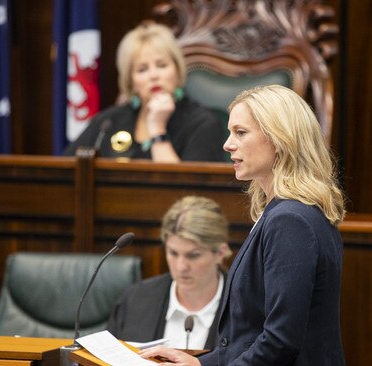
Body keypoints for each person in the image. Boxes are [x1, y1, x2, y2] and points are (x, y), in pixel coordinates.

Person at [139, 84, 346, 365]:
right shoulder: (286, 212)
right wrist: (200, 363)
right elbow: (251, 337)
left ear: (280, 138)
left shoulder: (290, 220)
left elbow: (280, 342)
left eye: (240, 132)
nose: (227, 144)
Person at [64, 23, 225, 162]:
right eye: (142, 69)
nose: (154, 75)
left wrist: (157, 130)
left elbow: (187, 190)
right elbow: (64, 172)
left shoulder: (202, 123)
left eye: (162, 65)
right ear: (131, 81)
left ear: (177, 71)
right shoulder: (108, 122)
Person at [107, 196, 232, 350]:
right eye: (173, 253)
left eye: (193, 255)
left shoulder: (245, 308)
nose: (181, 267)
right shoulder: (135, 301)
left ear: (220, 253)